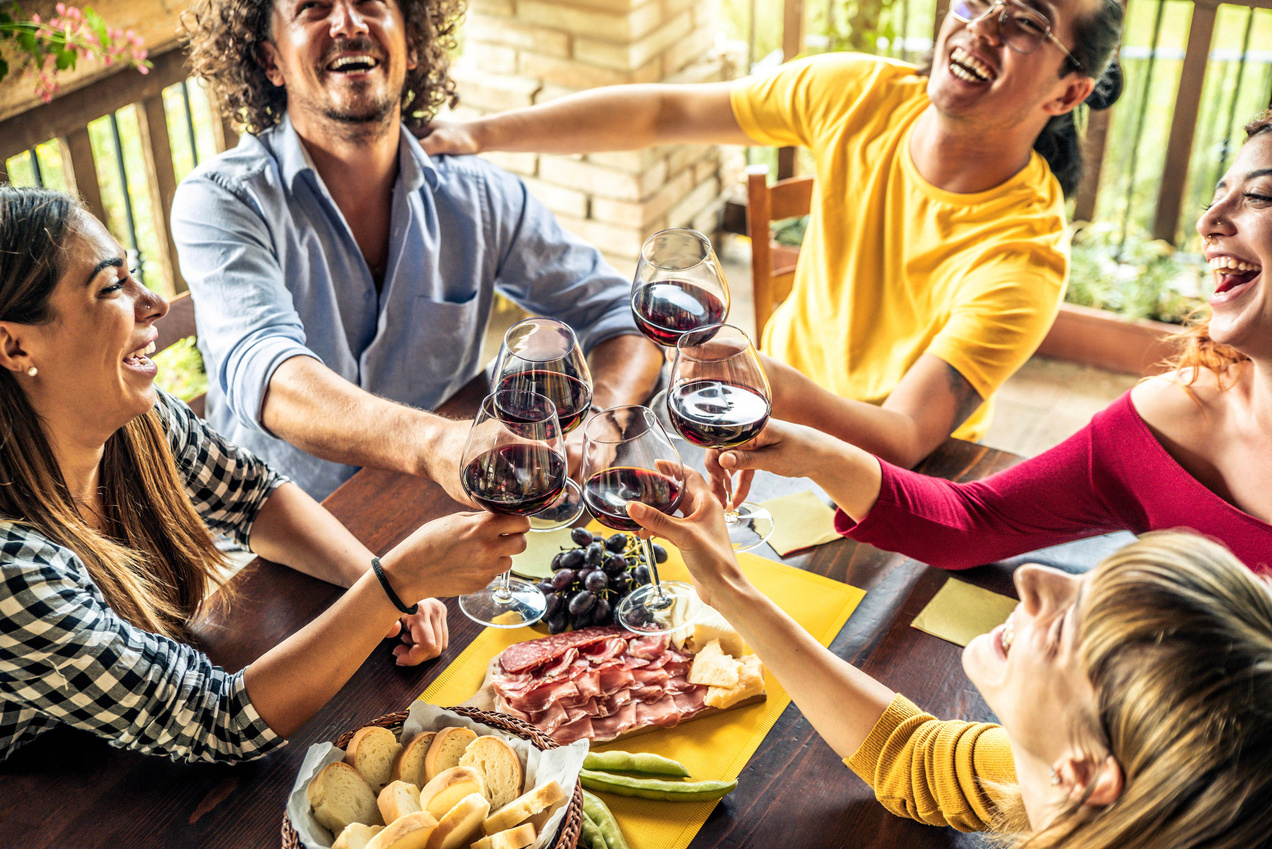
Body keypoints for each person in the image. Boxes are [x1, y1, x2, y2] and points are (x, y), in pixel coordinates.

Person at [420, 0, 1124, 468]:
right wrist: (481, 133)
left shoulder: (1024, 259)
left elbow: (904, 439)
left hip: (871, 470)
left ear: (1067, 92)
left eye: (1027, 20)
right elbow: (665, 114)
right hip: (754, 419)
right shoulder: (861, 95)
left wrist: (759, 378)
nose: (984, 25)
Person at [0, 186, 527, 762]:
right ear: (14, 344)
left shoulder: (136, 422)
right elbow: (215, 719)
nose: (153, 303)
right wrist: (395, 584)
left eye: (136, 274)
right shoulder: (11, 567)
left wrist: (373, 585)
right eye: (110, 287)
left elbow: (252, 498)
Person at [705, 112, 1272, 575]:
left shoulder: (1024, 251)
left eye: (1260, 197)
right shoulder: (1177, 414)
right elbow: (976, 525)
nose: (1211, 222)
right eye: (1218, 197)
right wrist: (813, 453)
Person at [173, 0, 663, 501]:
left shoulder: (479, 198)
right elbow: (273, 381)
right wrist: (442, 444)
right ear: (269, 60)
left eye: (371, 3)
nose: (348, 22)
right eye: (313, 7)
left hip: (439, 508)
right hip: (278, 534)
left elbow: (622, 315)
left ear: (411, 46)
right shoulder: (221, 202)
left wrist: (600, 422)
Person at [629, 475, 1272, 845]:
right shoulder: (1112, 783)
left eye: (1072, 625)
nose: (1039, 579)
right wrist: (729, 590)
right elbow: (914, 758)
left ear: (1083, 773)